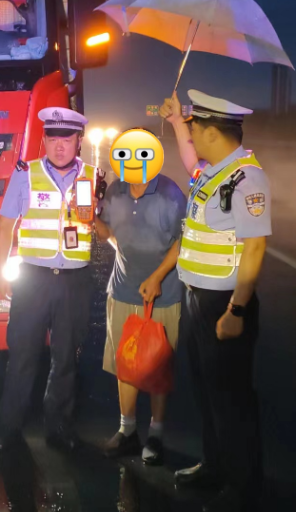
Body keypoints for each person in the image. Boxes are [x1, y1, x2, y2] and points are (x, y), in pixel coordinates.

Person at [160, 90, 271, 512]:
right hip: (198, 299)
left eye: (195, 129)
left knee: (232, 400)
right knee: (208, 392)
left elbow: (255, 248)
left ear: (211, 133)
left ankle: (243, 489)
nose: (193, 138)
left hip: (224, 303)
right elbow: (190, 160)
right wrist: (176, 123)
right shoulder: (212, 173)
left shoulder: (247, 179)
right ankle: (215, 467)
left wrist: (236, 311)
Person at [0, 106, 99, 454]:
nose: (59, 146)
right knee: (23, 354)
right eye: (53, 139)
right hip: (33, 279)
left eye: (67, 139)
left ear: (79, 140)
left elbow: (99, 223)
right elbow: (5, 226)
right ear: (45, 140)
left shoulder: (93, 177)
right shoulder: (26, 174)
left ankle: (59, 428)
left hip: (74, 281)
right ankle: (9, 429)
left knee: (66, 358)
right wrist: (0, 272)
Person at [93, 168, 186, 466]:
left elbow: (184, 240)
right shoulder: (116, 190)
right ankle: (127, 430)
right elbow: (106, 232)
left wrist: (158, 276)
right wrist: (89, 215)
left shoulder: (170, 194)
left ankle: (156, 434)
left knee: (158, 362)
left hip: (163, 293)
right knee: (126, 361)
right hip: (122, 289)